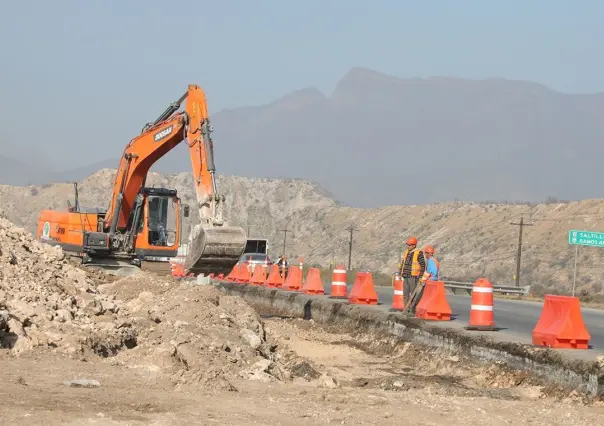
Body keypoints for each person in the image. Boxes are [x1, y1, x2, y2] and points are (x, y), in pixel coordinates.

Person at [399, 236, 426, 310]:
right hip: (406, 276)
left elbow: (423, 265)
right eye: (407, 244)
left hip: (413, 277)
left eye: (409, 245)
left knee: (413, 294)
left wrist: (420, 276)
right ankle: (406, 308)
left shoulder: (418, 253)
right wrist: (400, 272)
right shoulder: (406, 252)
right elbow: (403, 263)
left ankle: (412, 309)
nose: (408, 246)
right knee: (406, 294)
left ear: (414, 245)